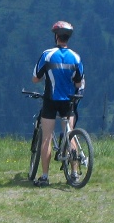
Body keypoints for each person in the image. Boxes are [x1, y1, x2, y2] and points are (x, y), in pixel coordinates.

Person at [31, 20, 84, 187]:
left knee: (46, 137)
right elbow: (78, 82)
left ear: (56, 36)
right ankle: (74, 174)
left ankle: (45, 177)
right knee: (70, 134)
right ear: (67, 38)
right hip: (68, 101)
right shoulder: (75, 57)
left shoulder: (47, 54)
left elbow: (35, 78)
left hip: (51, 100)